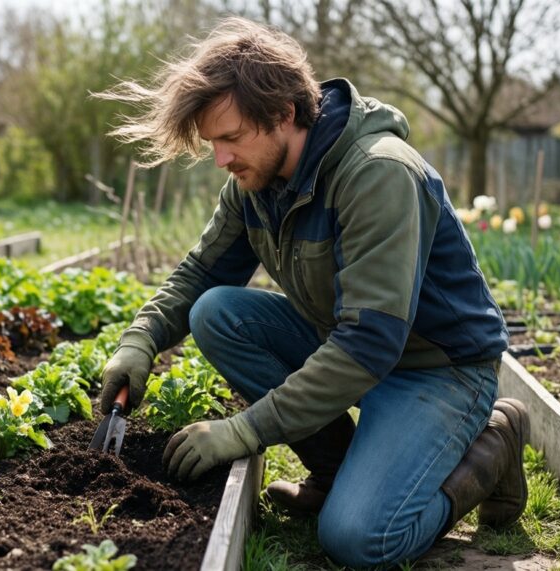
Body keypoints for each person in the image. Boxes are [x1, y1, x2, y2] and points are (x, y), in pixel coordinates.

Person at [96, 17, 528, 568]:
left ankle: (494, 444)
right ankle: (338, 470)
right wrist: (140, 339)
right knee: (217, 312)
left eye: (230, 138)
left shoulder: (377, 174)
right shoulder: (254, 182)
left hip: (436, 368)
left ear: (283, 114)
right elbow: (202, 273)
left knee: (358, 539)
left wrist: (244, 431)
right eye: (213, 143)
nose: (221, 159)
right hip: (349, 346)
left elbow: (371, 341)